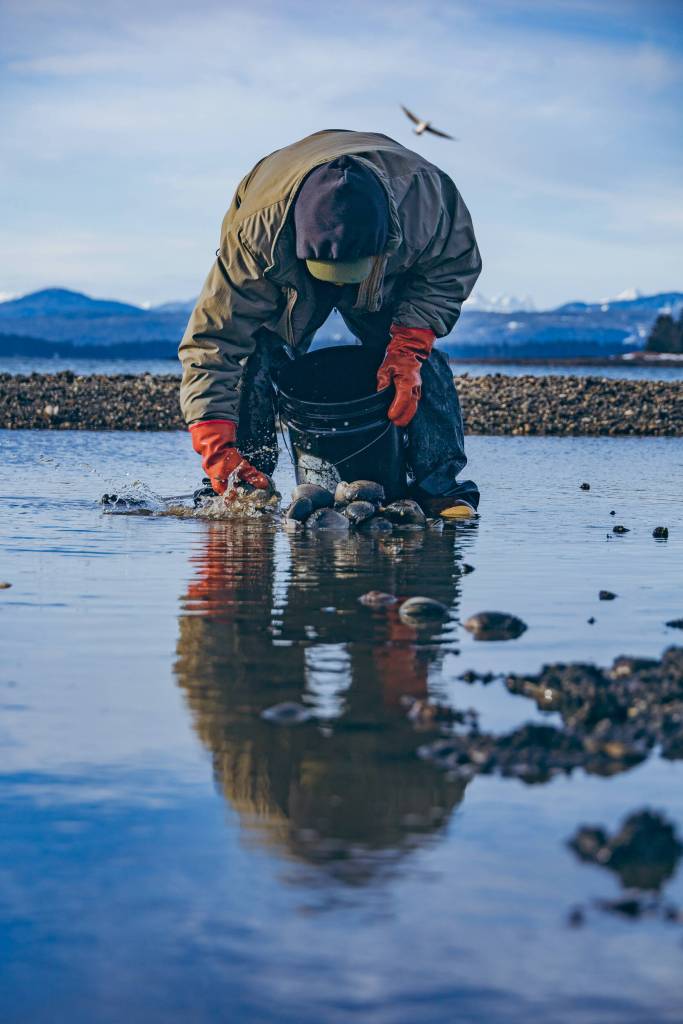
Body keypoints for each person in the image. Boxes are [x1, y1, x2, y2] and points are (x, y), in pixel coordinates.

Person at [179, 129, 482, 515]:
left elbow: (450, 271)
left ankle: (438, 488)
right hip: (284, 266)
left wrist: (408, 347)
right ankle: (241, 484)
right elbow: (213, 342)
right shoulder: (256, 237)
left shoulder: (429, 203)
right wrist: (215, 444)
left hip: (388, 274)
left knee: (416, 365)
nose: (338, 283)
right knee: (252, 352)